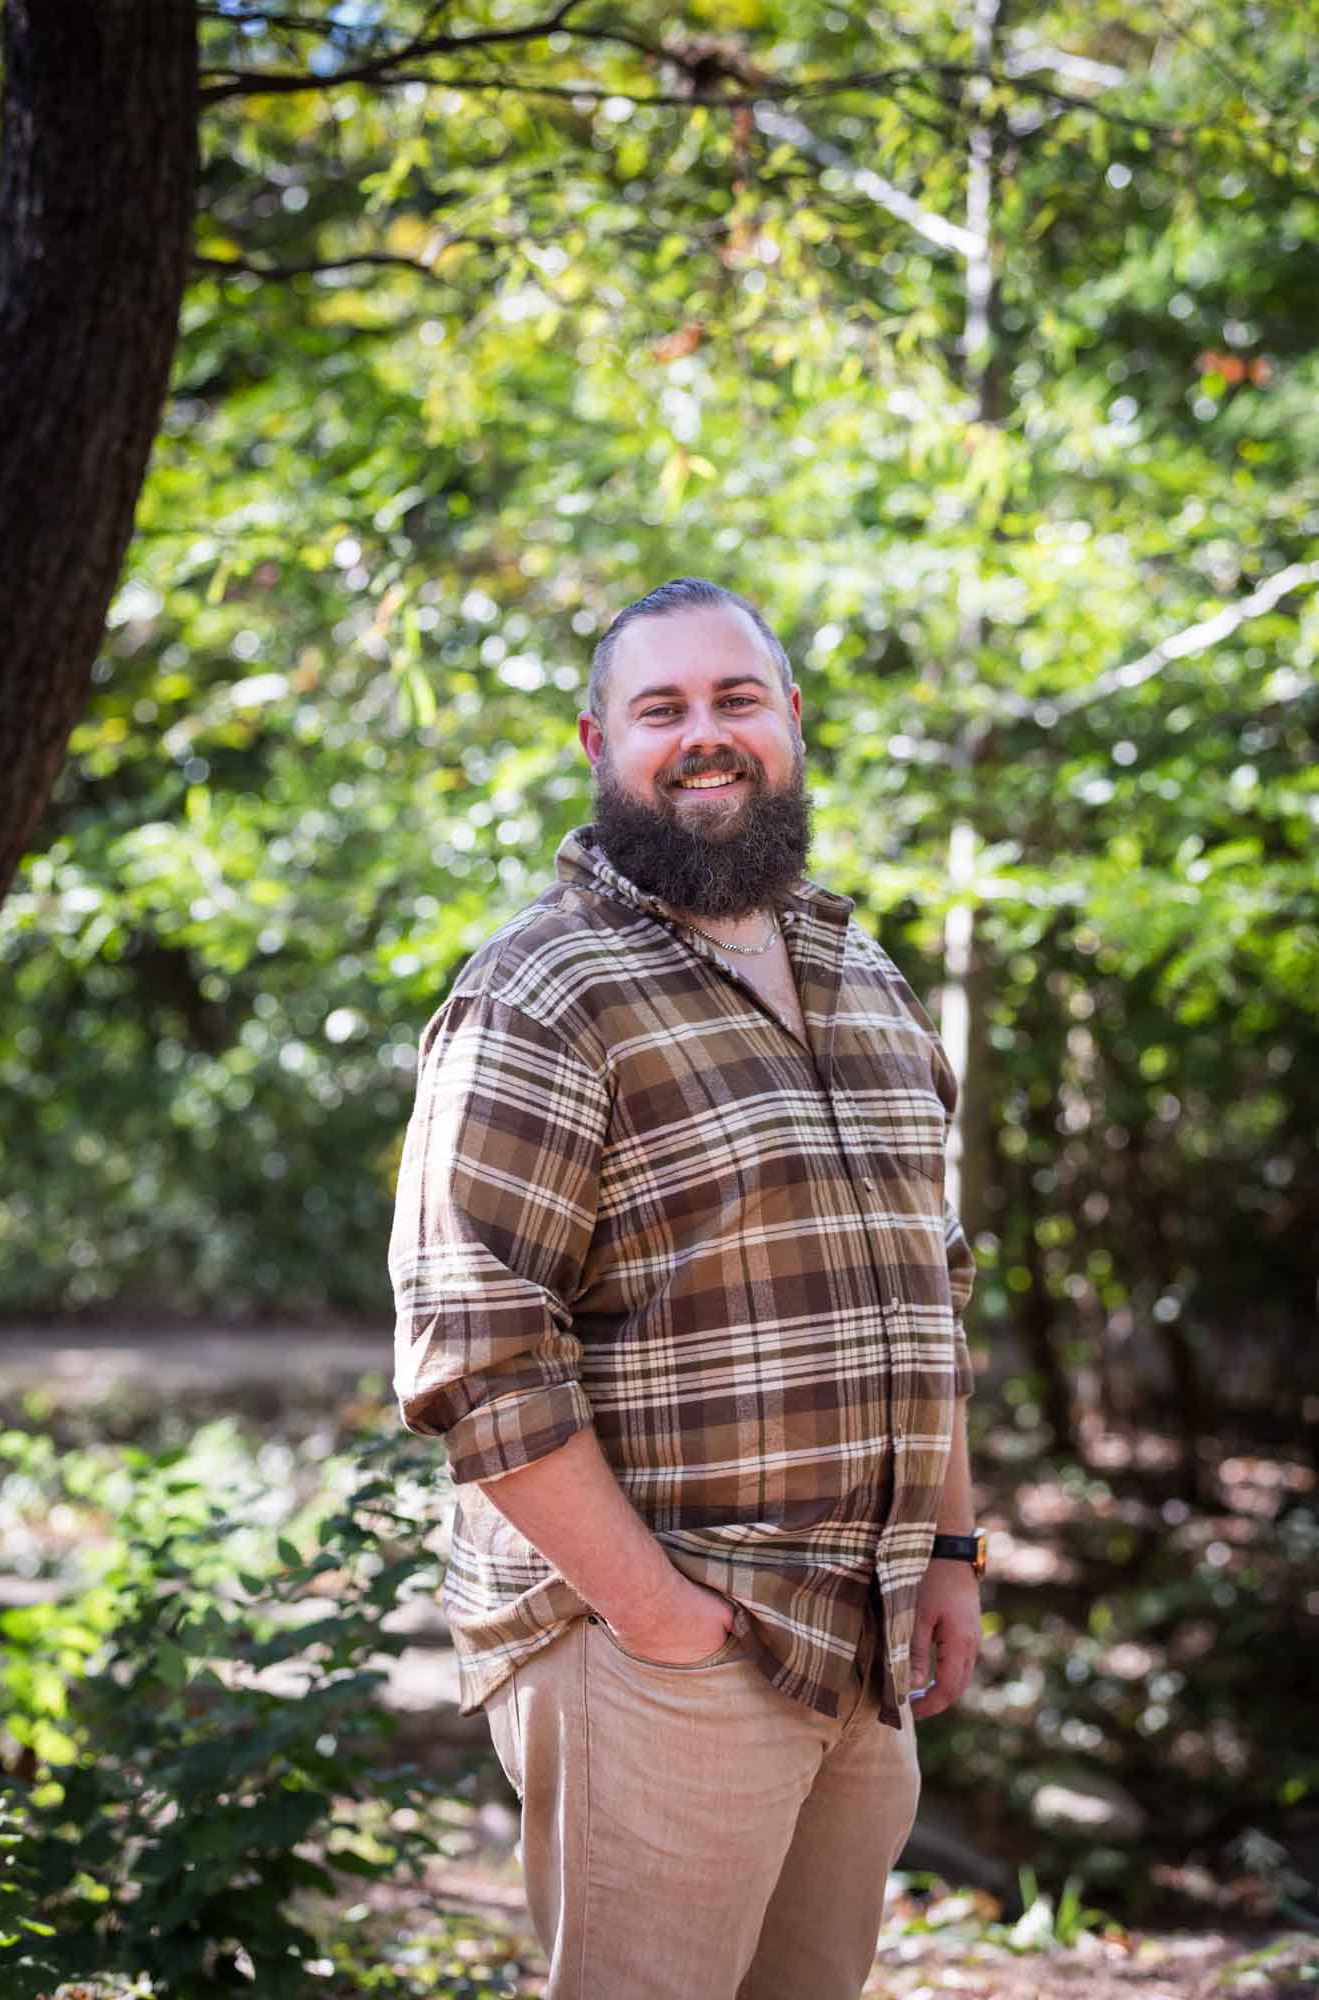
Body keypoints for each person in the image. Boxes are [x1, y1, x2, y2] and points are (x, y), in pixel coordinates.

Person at [388, 577, 984, 2000]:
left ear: (790, 723)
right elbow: (476, 1351)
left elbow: (927, 1285)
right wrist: (660, 1621)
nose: (702, 735)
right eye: (662, 709)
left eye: (735, 700)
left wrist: (950, 1551)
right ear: (598, 744)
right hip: (656, 1648)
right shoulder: (542, 993)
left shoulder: (860, 973)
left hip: (861, 1636)